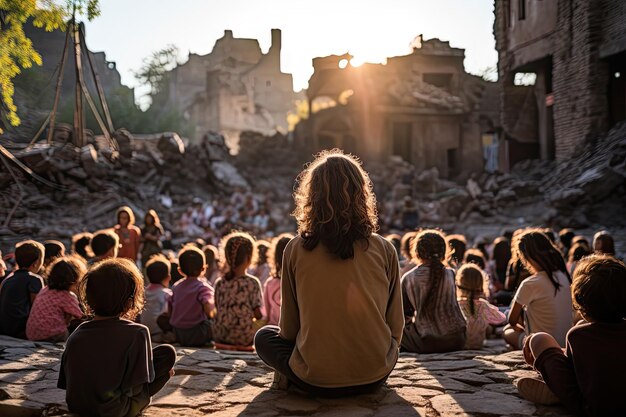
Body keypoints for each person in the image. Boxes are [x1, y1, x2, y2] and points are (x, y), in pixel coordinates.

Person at [255, 150, 404, 396]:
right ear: (362, 195)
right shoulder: (384, 248)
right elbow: (396, 326)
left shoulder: (295, 249)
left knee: (264, 337)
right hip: (375, 373)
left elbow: (289, 331)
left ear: (312, 196)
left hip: (315, 378)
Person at [58, 258, 176, 417]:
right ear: (129, 303)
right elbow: (136, 387)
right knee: (167, 354)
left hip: (77, 406)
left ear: (88, 299)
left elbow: (66, 383)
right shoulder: (137, 333)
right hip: (116, 410)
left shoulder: (77, 333)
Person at [517, 255, 626, 416]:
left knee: (539, 338)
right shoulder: (582, 333)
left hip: (587, 405)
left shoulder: (578, 335)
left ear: (582, 306)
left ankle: (555, 390)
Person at [504, 229, 573, 349]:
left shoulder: (530, 283)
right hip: (565, 342)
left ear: (525, 257)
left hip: (541, 346)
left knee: (506, 330)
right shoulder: (564, 276)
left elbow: (512, 320)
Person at [402, 229, 467, 353]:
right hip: (458, 340)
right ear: (444, 252)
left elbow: (404, 315)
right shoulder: (451, 274)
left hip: (428, 342)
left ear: (417, 252)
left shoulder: (409, 278)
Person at [213, 232, 263, 347]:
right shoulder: (252, 283)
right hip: (244, 337)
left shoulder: (220, 283)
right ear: (249, 258)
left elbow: (218, 308)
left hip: (221, 335)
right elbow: (258, 315)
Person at [26, 256, 85, 342]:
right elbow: (81, 316)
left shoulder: (45, 290)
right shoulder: (67, 296)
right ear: (74, 279)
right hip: (53, 334)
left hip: (32, 334)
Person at [169, 245, 214, 347]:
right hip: (198, 333)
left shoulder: (176, 287)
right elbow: (209, 307)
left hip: (178, 333)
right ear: (203, 268)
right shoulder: (202, 287)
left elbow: (169, 308)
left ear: (180, 270)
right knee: (212, 325)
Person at [0, 240, 45, 338]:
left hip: (3, 328)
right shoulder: (34, 279)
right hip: (20, 330)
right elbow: (37, 308)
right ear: (36, 262)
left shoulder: (8, 279)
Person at [455, 264, 506, 349]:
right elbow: (501, 319)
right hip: (478, 345)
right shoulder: (483, 305)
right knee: (487, 326)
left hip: (461, 345)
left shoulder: (456, 304)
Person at [141, 255, 173, 343]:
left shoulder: (143, 293)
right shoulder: (167, 294)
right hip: (160, 332)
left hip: (143, 331)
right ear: (168, 277)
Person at [263, 233, 293, 326]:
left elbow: (267, 315)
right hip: (294, 330)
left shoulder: (270, 283)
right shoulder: (299, 282)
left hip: (273, 328)